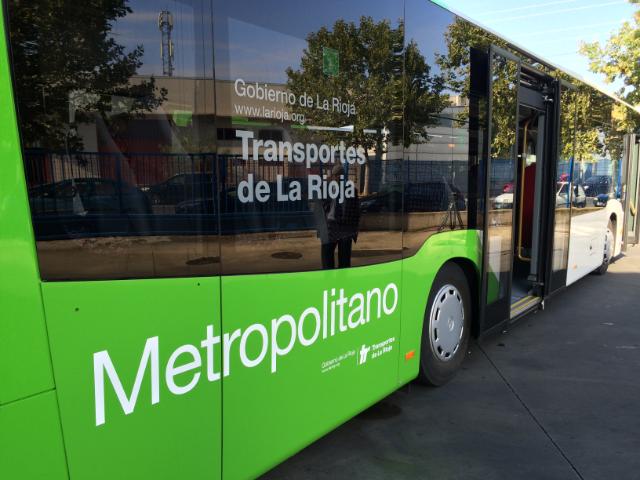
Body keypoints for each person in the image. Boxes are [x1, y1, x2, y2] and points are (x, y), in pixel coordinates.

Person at [319, 163, 360, 269]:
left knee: (344, 262)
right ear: (332, 176)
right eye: (336, 175)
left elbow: (356, 211)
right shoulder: (326, 190)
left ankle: (342, 283)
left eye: (340, 175)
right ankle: (328, 283)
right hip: (330, 226)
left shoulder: (351, 191)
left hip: (345, 228)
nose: (338, 177)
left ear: (344, 176)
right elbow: (320, 210)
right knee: (327, 259)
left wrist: (353, 231)